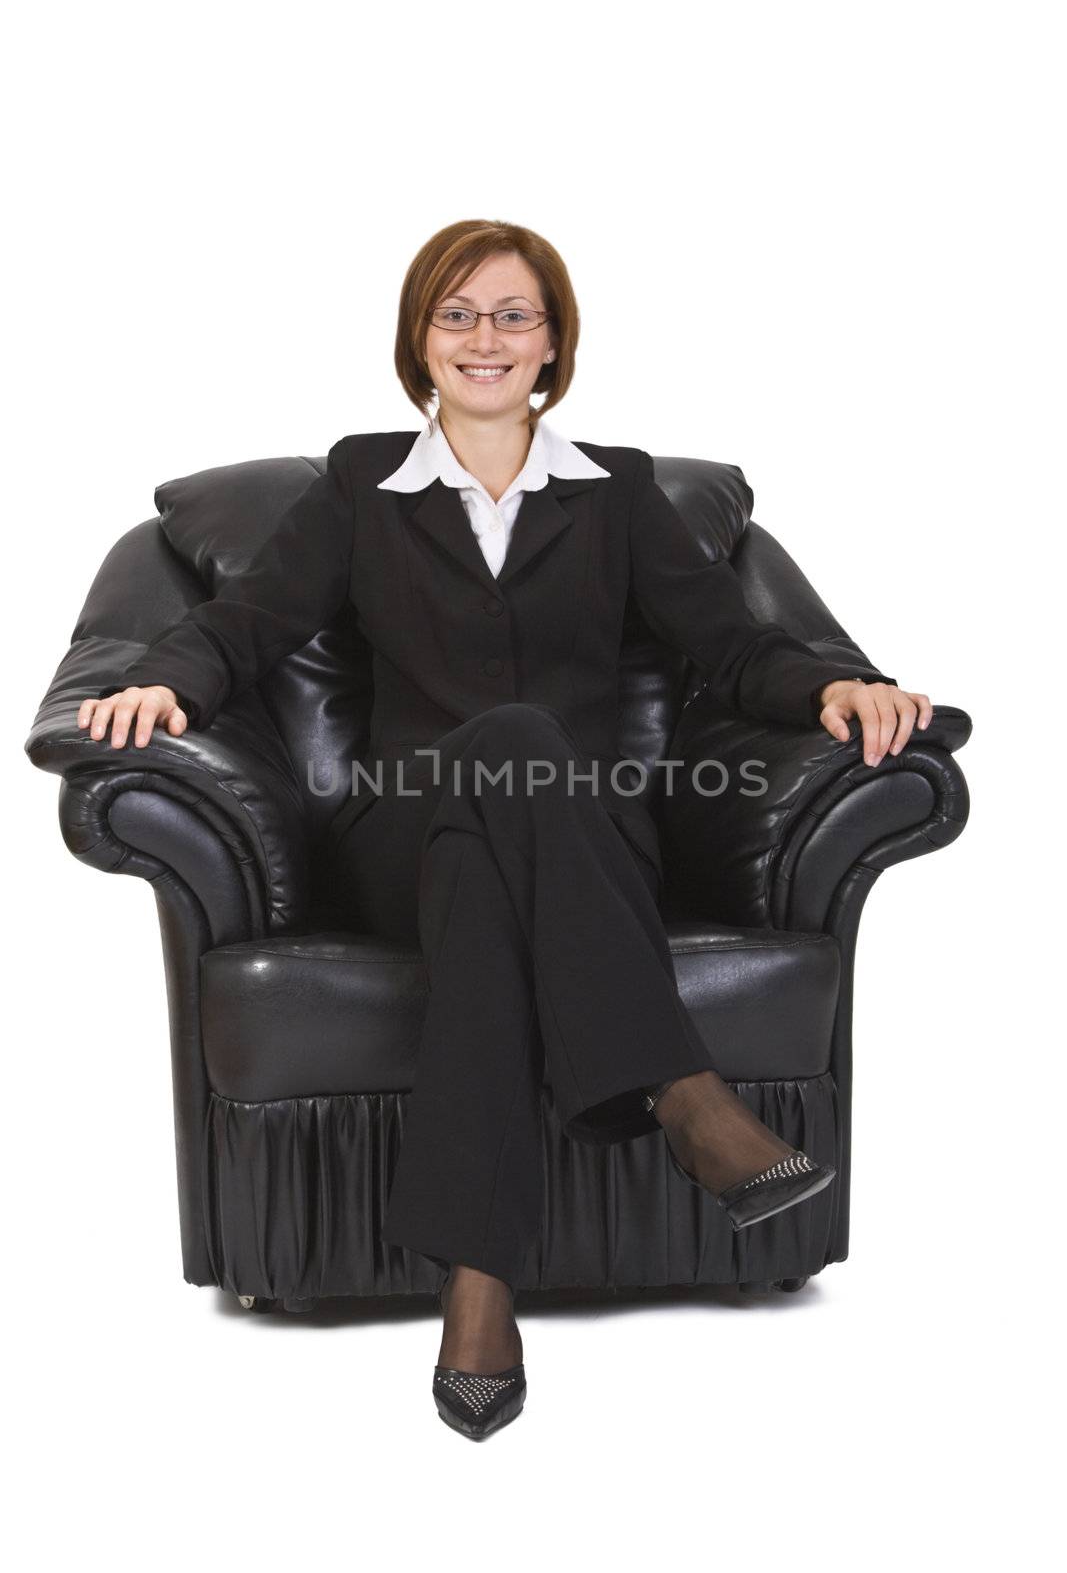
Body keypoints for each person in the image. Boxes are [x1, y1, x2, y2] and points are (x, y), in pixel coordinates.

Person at [77, 220, 931, 1440]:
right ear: (419, 339)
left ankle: (476, 1284)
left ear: (552, 343)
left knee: (503, 839)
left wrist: (830, 687)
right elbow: (246, 622)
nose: (485, 337)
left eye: (513, 314)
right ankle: (682, 1092)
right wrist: (169, 679)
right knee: (512, 744)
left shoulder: (617, 491)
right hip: (395, 840)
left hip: (575, 845)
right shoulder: (360, 486)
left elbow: (731, 644)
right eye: (458, 314)